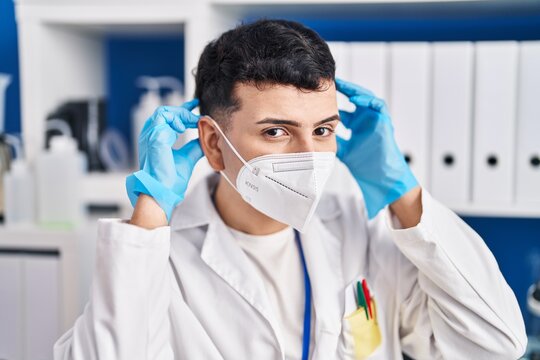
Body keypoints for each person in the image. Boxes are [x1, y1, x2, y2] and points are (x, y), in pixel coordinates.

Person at [54, 19, 527, 360]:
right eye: (277, 132)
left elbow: (496, 344)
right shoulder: (159, 262)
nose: (309, 154)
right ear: (214, 145)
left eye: (322, 130)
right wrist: (151, 214)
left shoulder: (361, 233)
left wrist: (401, 191)